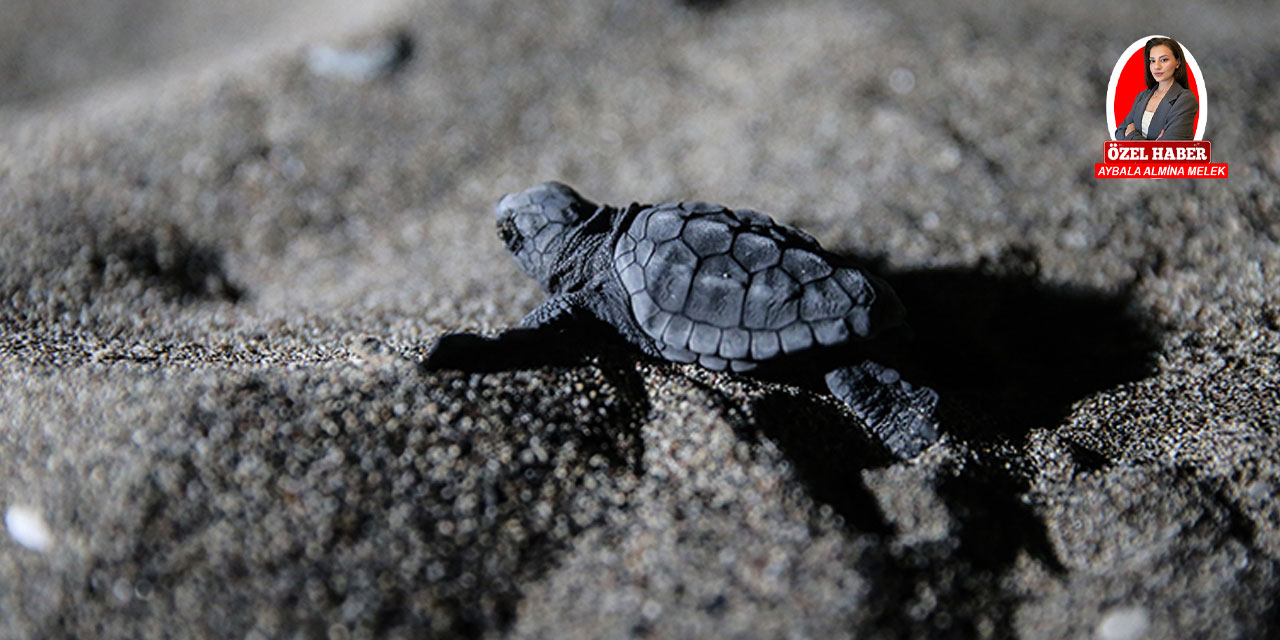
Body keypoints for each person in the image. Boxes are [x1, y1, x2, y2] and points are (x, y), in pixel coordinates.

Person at [1115, 37, 1198, 141]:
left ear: (1178, 63)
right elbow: (1120, 131)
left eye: (1164, 60)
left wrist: (1131, 134)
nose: (1156, 66)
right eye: (1152, 61)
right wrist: (1153, 144)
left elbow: (1166, 150)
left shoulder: (1185, 100)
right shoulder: (1143, 96)